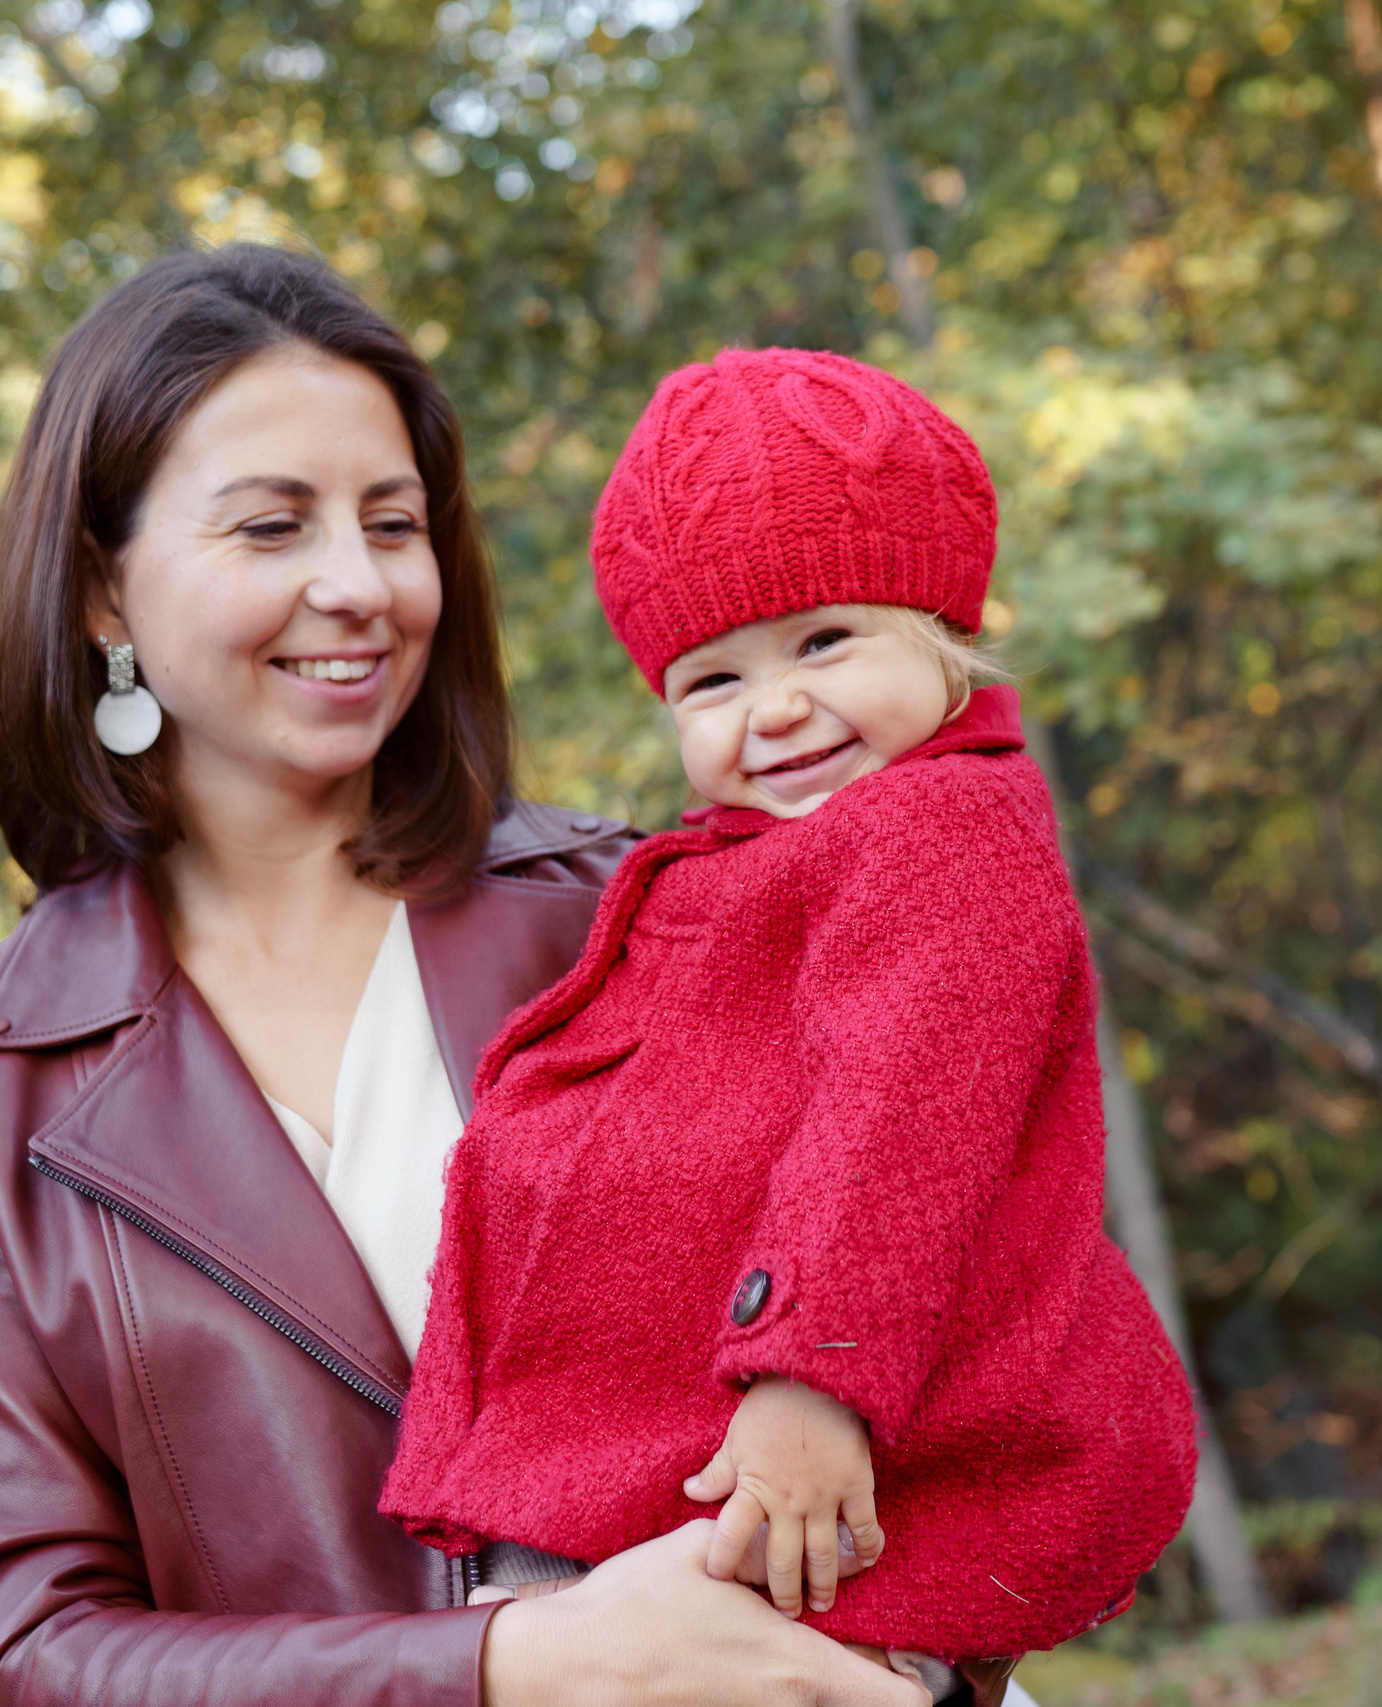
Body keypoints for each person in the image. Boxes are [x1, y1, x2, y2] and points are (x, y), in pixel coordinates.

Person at [0, 246, 942, 1706]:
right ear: (106, 589)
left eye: (393, 523)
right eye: (271, 528)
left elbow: (947, 1303)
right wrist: (514, 1665)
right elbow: (19, 1651)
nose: (358, 587)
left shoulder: (637, 911)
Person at [381, 349, 1199, 1696]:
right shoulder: (732, 868)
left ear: (937, 632)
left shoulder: (943, 828)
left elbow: (901, 1117)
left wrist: (813, 1379)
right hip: (689, 1490)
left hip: (827, 1459)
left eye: (825, 642)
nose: (776, 710)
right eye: (713, 681)